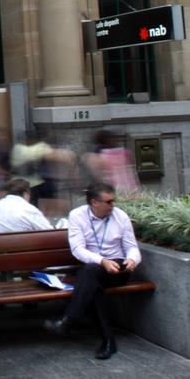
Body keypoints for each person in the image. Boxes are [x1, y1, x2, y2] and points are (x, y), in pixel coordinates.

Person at [43, 181, 141, 360]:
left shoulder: (121, 216)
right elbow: (78, 249)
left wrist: (132, 259)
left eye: (113, 201)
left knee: (89, 275)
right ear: (95, 202)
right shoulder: (77, 216)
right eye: (109, 202)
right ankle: (108, 342)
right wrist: (102, 261)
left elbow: (132, 247)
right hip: (94, 268)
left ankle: (69, 320)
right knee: (94, 286)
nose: (113, 205)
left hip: (118, 268)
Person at [83, 129, 139, 194]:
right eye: (113, 139)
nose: (115, 141)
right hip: (128, 188)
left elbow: (98, 176)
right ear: (107, 140)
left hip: (112, 190)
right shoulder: (123, 152)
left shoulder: (96, 156)